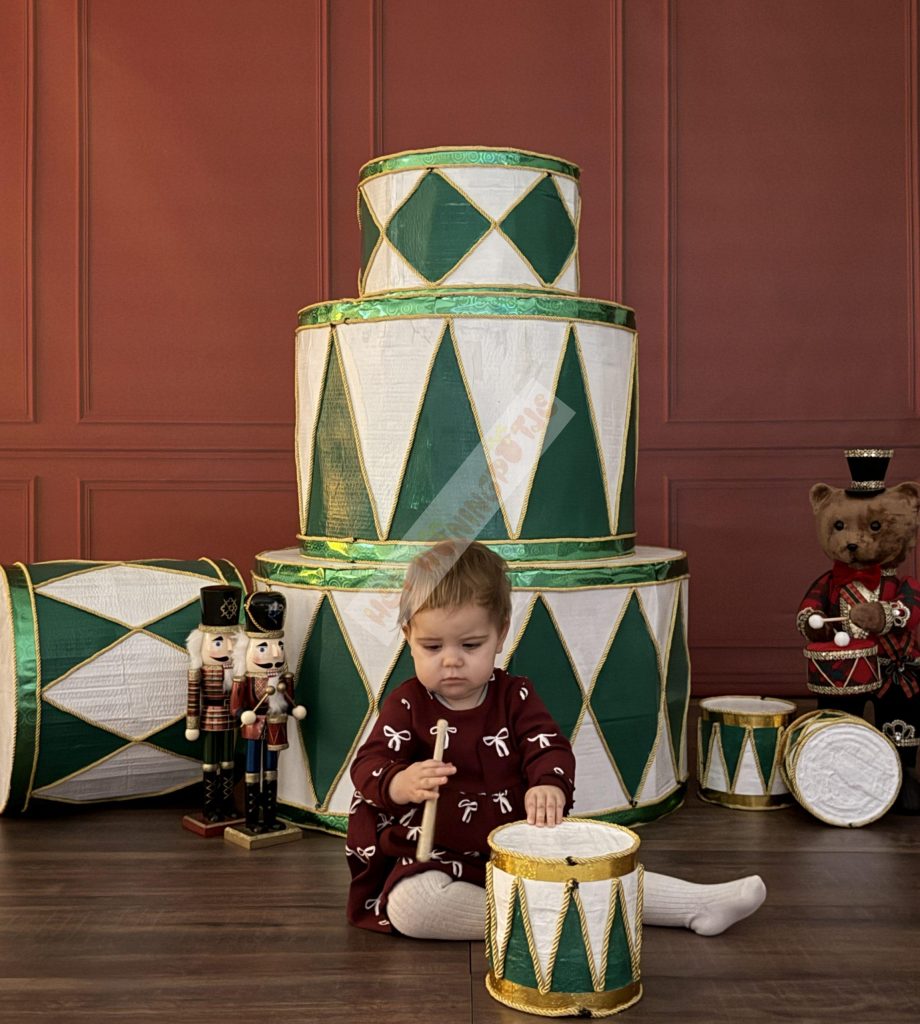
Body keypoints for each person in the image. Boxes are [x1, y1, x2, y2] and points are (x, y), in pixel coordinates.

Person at [346, 540, 766, 940]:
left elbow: (548, 746)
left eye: (471, 645)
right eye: (432, 646)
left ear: (500, 634)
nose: (451, 660)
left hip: (520, 838)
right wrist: (400, 783)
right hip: (438, 852)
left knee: (592, 866)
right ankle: (562, 917)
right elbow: (369, 764)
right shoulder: (408, 704)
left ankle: (695, 903)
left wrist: (548, 784)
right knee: (411, 907)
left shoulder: (515, 696)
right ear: (408, 636)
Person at [230, 591, 306, 834]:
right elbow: (235, 706)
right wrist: (243, 714)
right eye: (264, 647)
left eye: (279, 646)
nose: (275, 654)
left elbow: (288, 700)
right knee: (252, 771)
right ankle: (252, 819)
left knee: (272, 771)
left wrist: (294, 709)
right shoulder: (243, 680)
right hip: (254, 728)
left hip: (276, 725)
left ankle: (270, 816)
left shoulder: (283, 677)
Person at [185, 584, 243, 823]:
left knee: (228, 761)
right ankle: (210, 805)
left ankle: (227, 802)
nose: (228, 648)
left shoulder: (238, 673)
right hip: (210, 715)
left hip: (231, 717)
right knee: (210, 763)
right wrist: (192, 724)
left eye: (232, 641)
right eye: (219, 642)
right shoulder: (199, 671)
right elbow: (193, 697)